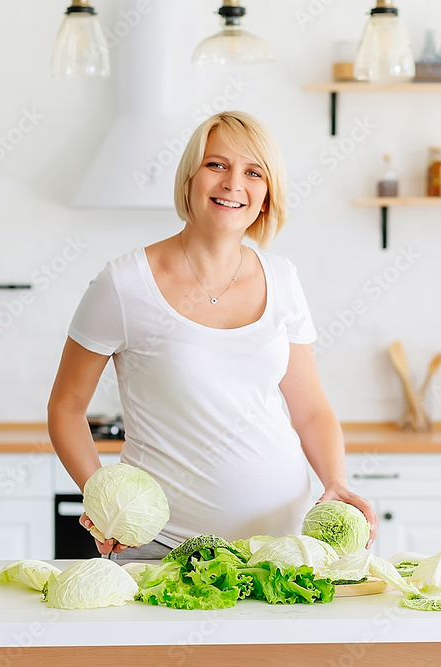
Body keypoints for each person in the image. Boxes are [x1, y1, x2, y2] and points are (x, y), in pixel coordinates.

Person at [47, 111, 377, 558]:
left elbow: (312, 410)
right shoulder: (125, 284)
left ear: (265, 197)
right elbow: (66, 407)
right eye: (216, 165)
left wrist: (336, 481)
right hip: (162, 549)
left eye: (253, 172)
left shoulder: (282, 279)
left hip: (282, 547)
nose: (232, 183)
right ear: (189, 179)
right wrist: (103, 498)